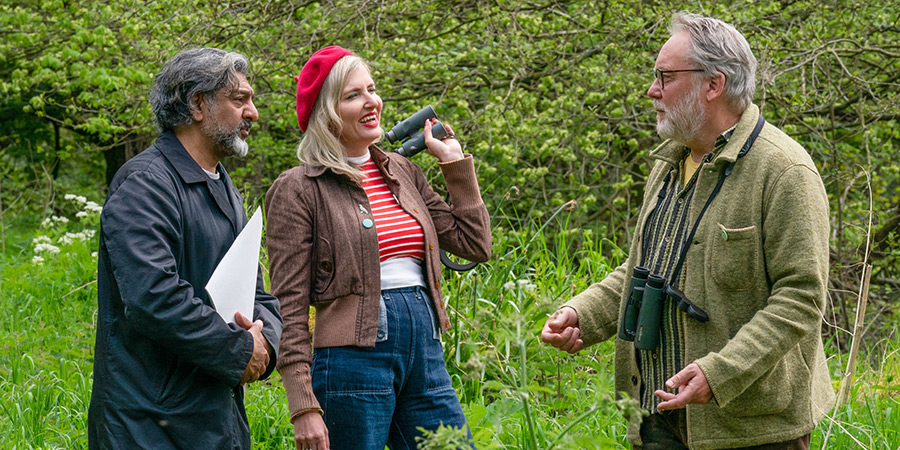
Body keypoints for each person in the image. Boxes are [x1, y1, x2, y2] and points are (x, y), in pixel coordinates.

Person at [541, 12, 834, 449]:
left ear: (713, 85)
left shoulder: (785, 171)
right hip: (656, 417)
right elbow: (645, 267)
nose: (651, 90)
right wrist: (585, 314)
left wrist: (720, 374)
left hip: (750, 429)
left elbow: (801, 299)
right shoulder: (670, 163)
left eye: (665, 76)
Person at [265, 45, 492, 450]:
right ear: (326, 113)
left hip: (425, 354)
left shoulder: (403, 171)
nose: (372, 102)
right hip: (351, 361)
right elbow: (290, 304)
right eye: (353, 95)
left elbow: (475, 244)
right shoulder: (297, 189)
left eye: (371, 89)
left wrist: (455, 165)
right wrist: (303, 405)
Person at [88, 48, 283, 449]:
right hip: (148, 427)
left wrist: (265, 342)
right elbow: (152, 296)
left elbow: (256, 292)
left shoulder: (223, 185)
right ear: (198, 104)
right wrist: (237, 349)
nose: (253, 112)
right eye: (239, 99)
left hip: (215, 418)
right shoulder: (145, 183)